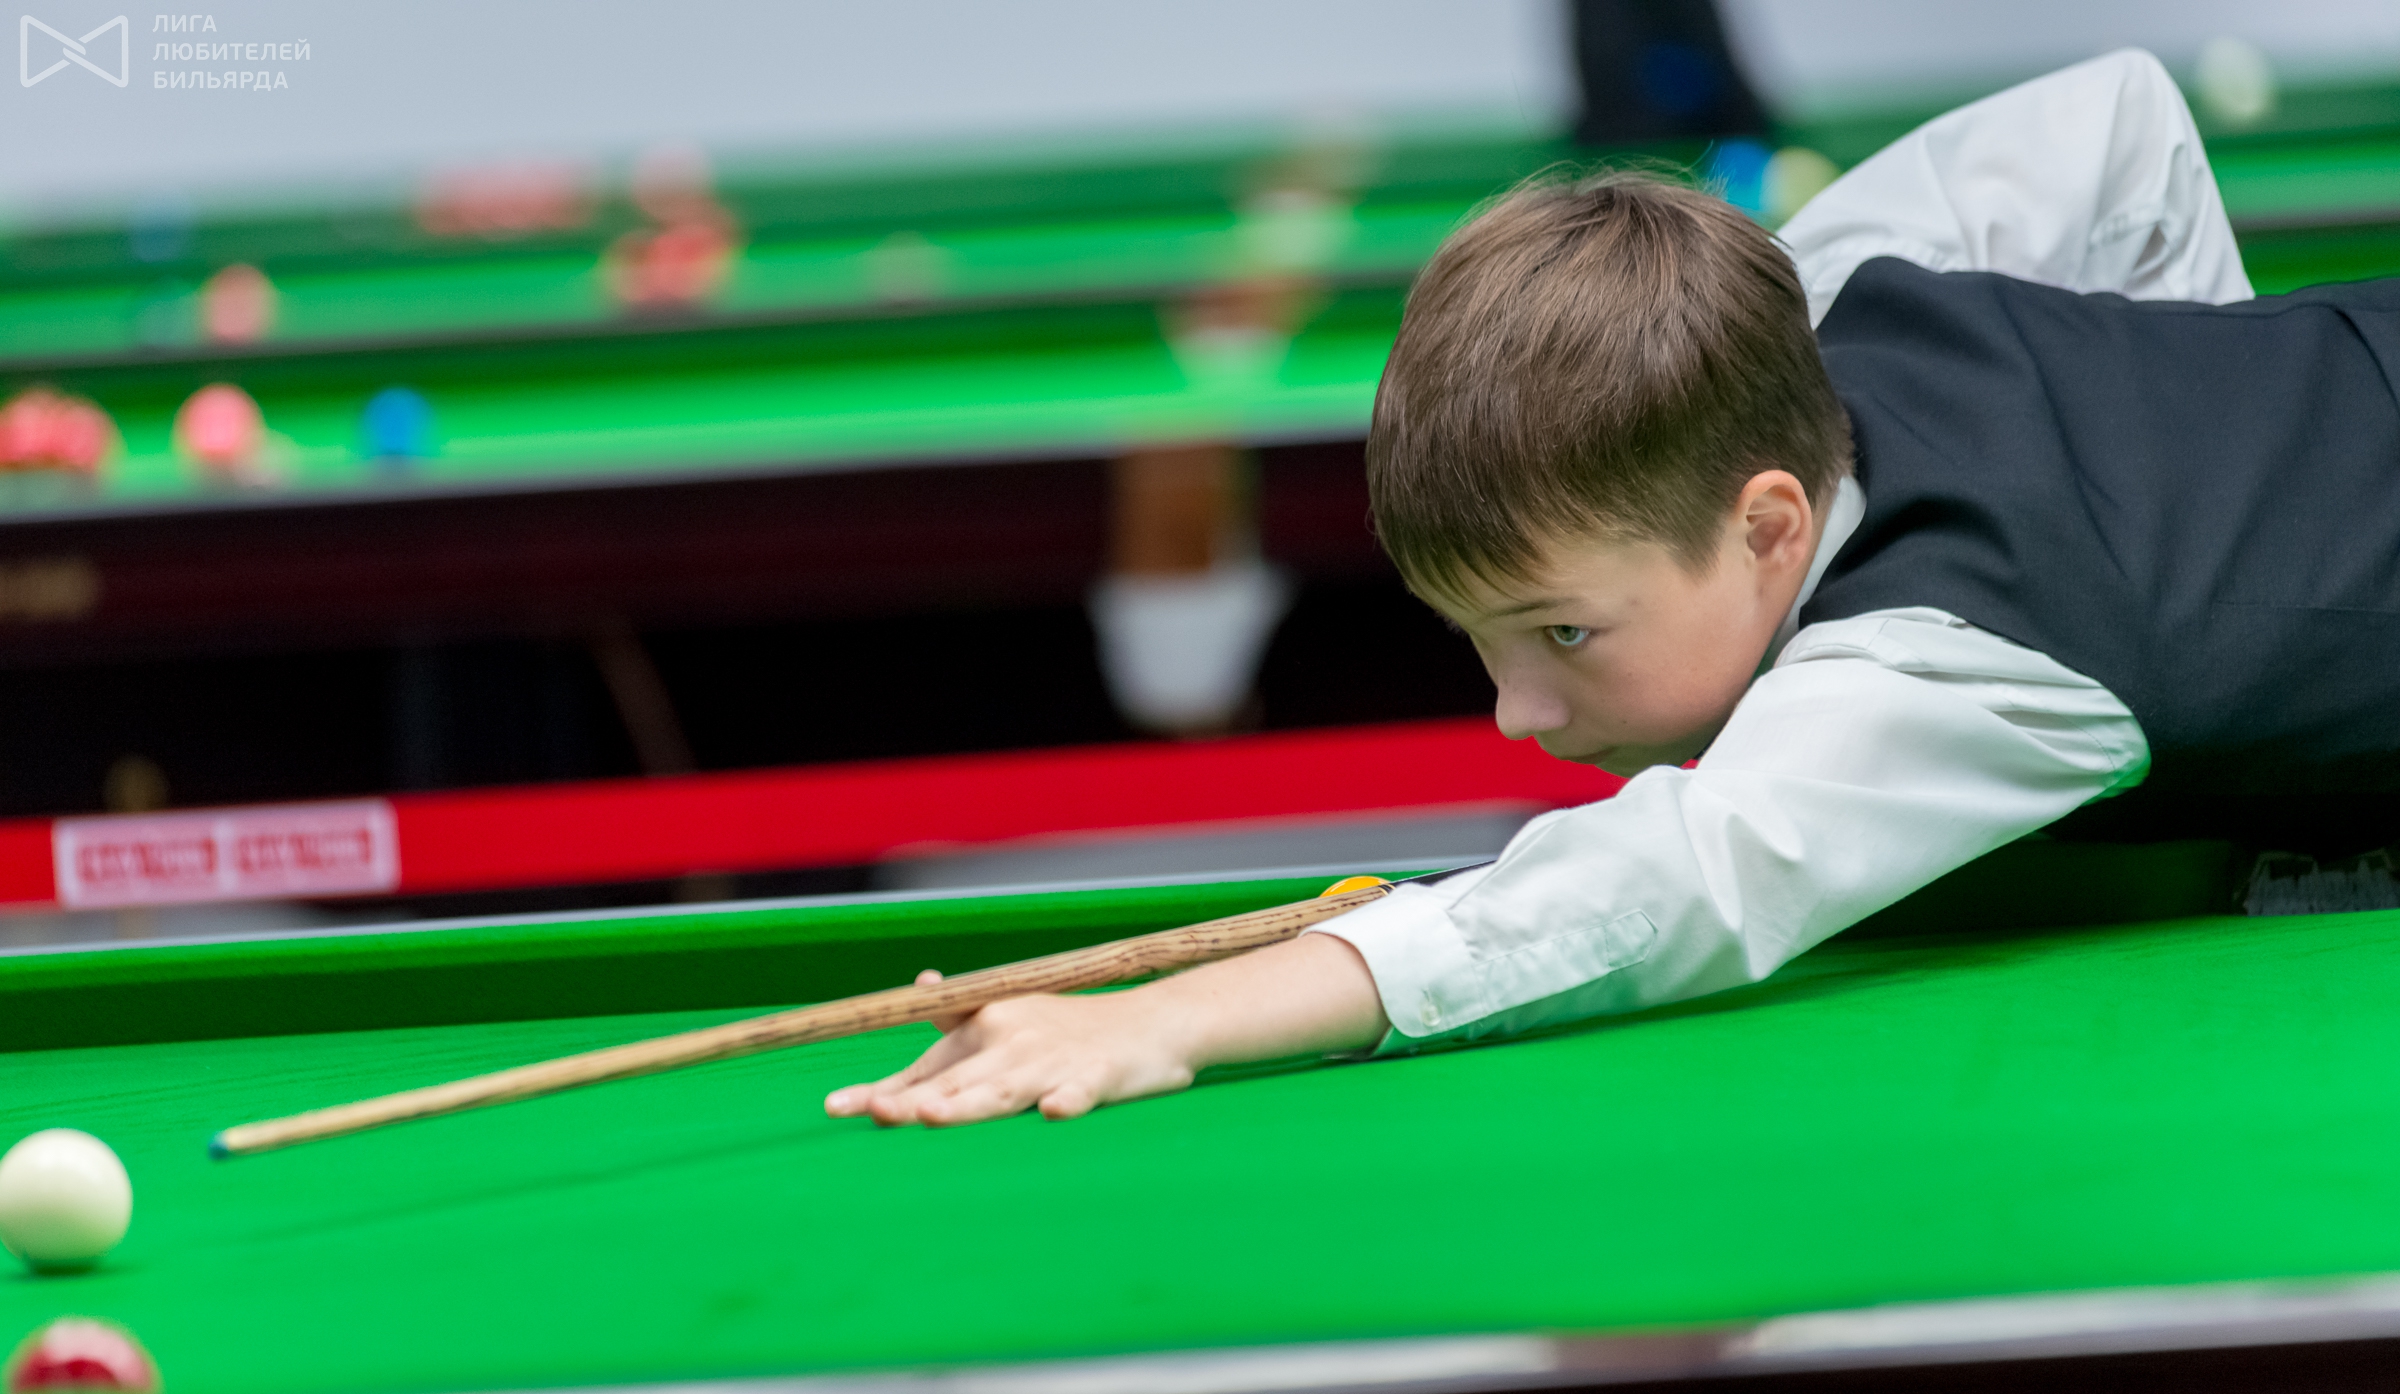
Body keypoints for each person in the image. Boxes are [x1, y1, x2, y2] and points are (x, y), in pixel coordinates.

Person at [827, 48, 2366, 1130]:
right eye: (1482, 638)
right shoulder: (1794, 315)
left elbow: (1679, 877)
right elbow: (2115, 120)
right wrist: (2204, 441)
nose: (1517, 713)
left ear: (1771, 525)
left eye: (1564, 629)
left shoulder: (1957, 656)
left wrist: (1168, 1014)